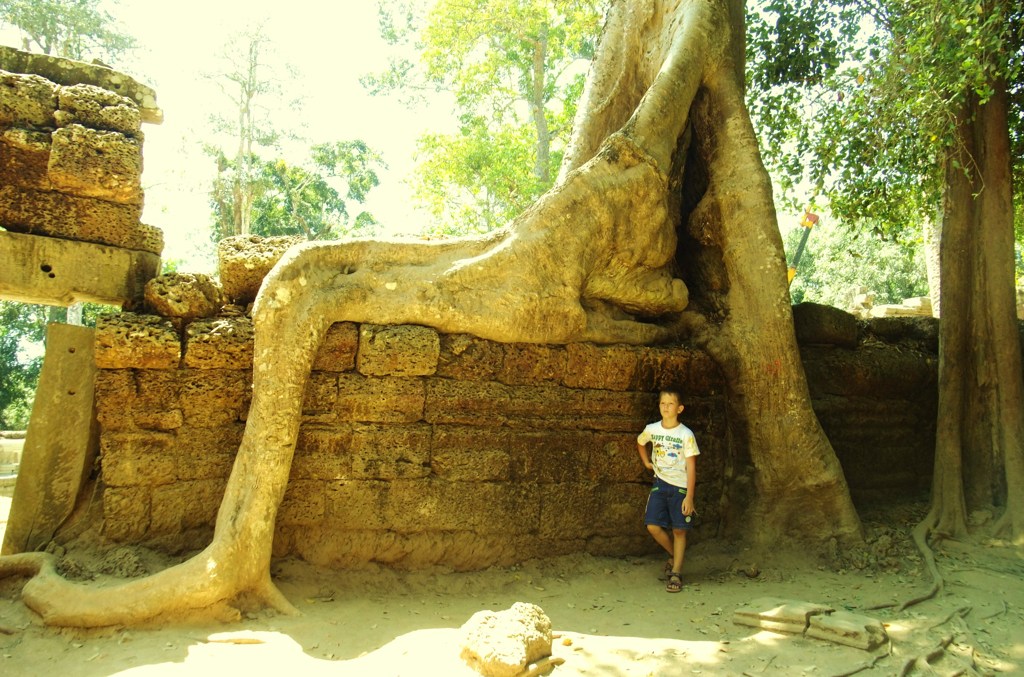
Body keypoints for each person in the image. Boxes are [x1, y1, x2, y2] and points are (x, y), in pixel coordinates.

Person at [636, 387, 699, 593]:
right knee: (652, 525)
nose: (666, 407)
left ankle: (677, 572)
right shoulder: (653, 429)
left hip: (680, 486)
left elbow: (691, 466)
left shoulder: (685, 434)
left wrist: (689, 497)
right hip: (659, 483)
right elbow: (640, 441)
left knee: (679, 529)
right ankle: (675, 555)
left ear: (679, 408)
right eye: (663, 403)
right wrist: (646, 462)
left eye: (670, 404)